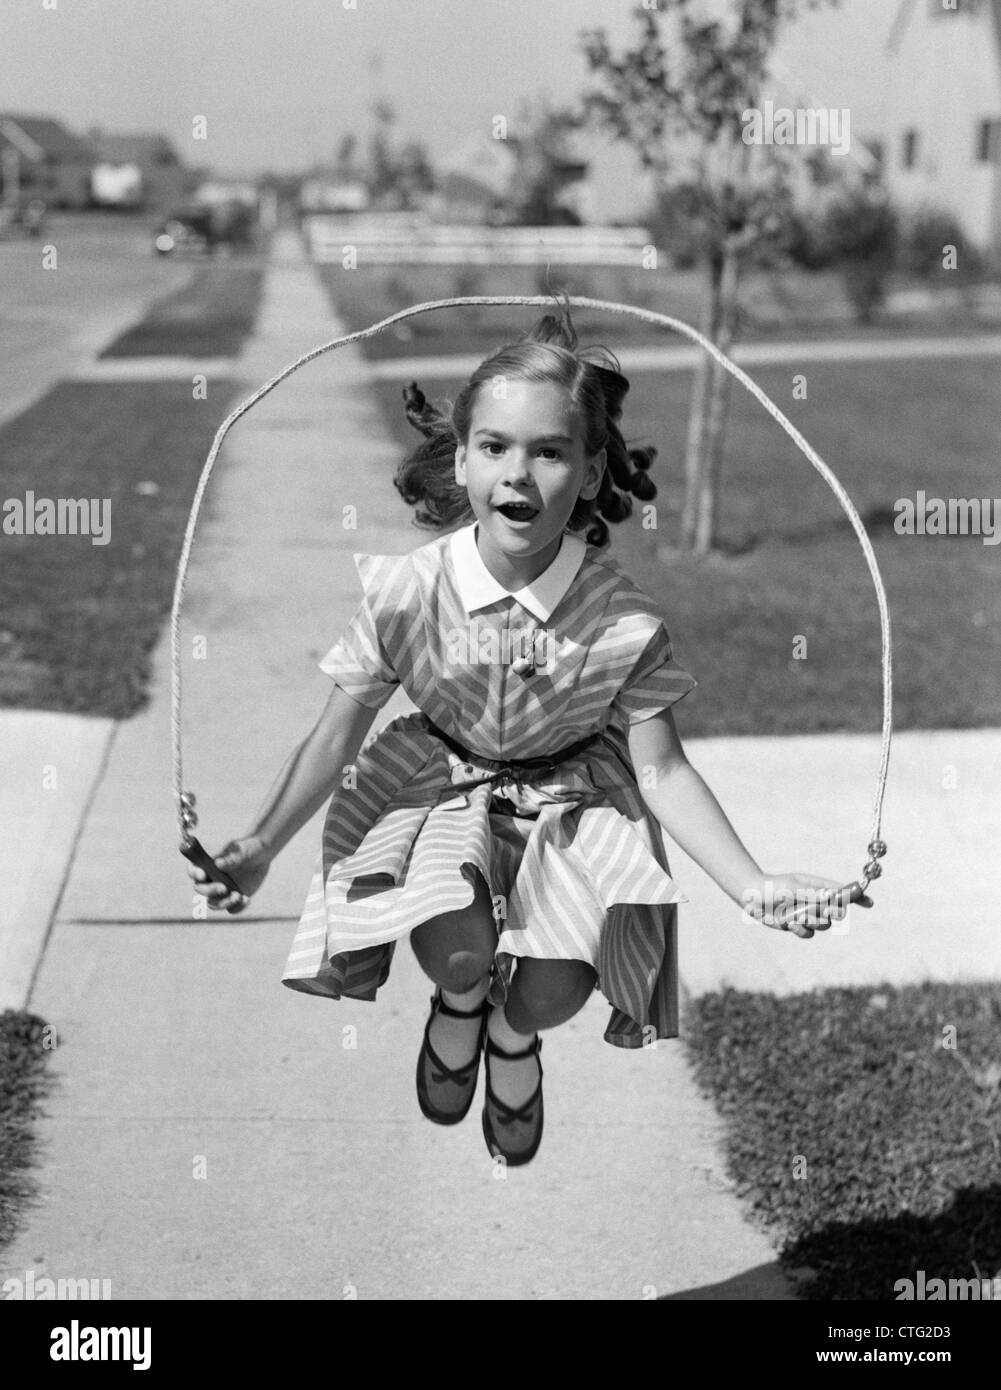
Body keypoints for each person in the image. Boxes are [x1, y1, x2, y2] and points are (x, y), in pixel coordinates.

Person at [188, 303, 870, 1167]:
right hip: (441, 785)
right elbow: (333, 736)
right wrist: (255, 846)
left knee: (551, 993)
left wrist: (751, 883)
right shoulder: (410, 592)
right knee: (459, 943)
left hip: (576, 800)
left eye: (548, 451)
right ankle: (460, 1001)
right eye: (495, 447)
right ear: (462, 458)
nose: (519, 472)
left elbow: (662, 773)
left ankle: (513, 1036)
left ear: (588, 474)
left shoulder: (622, 620)